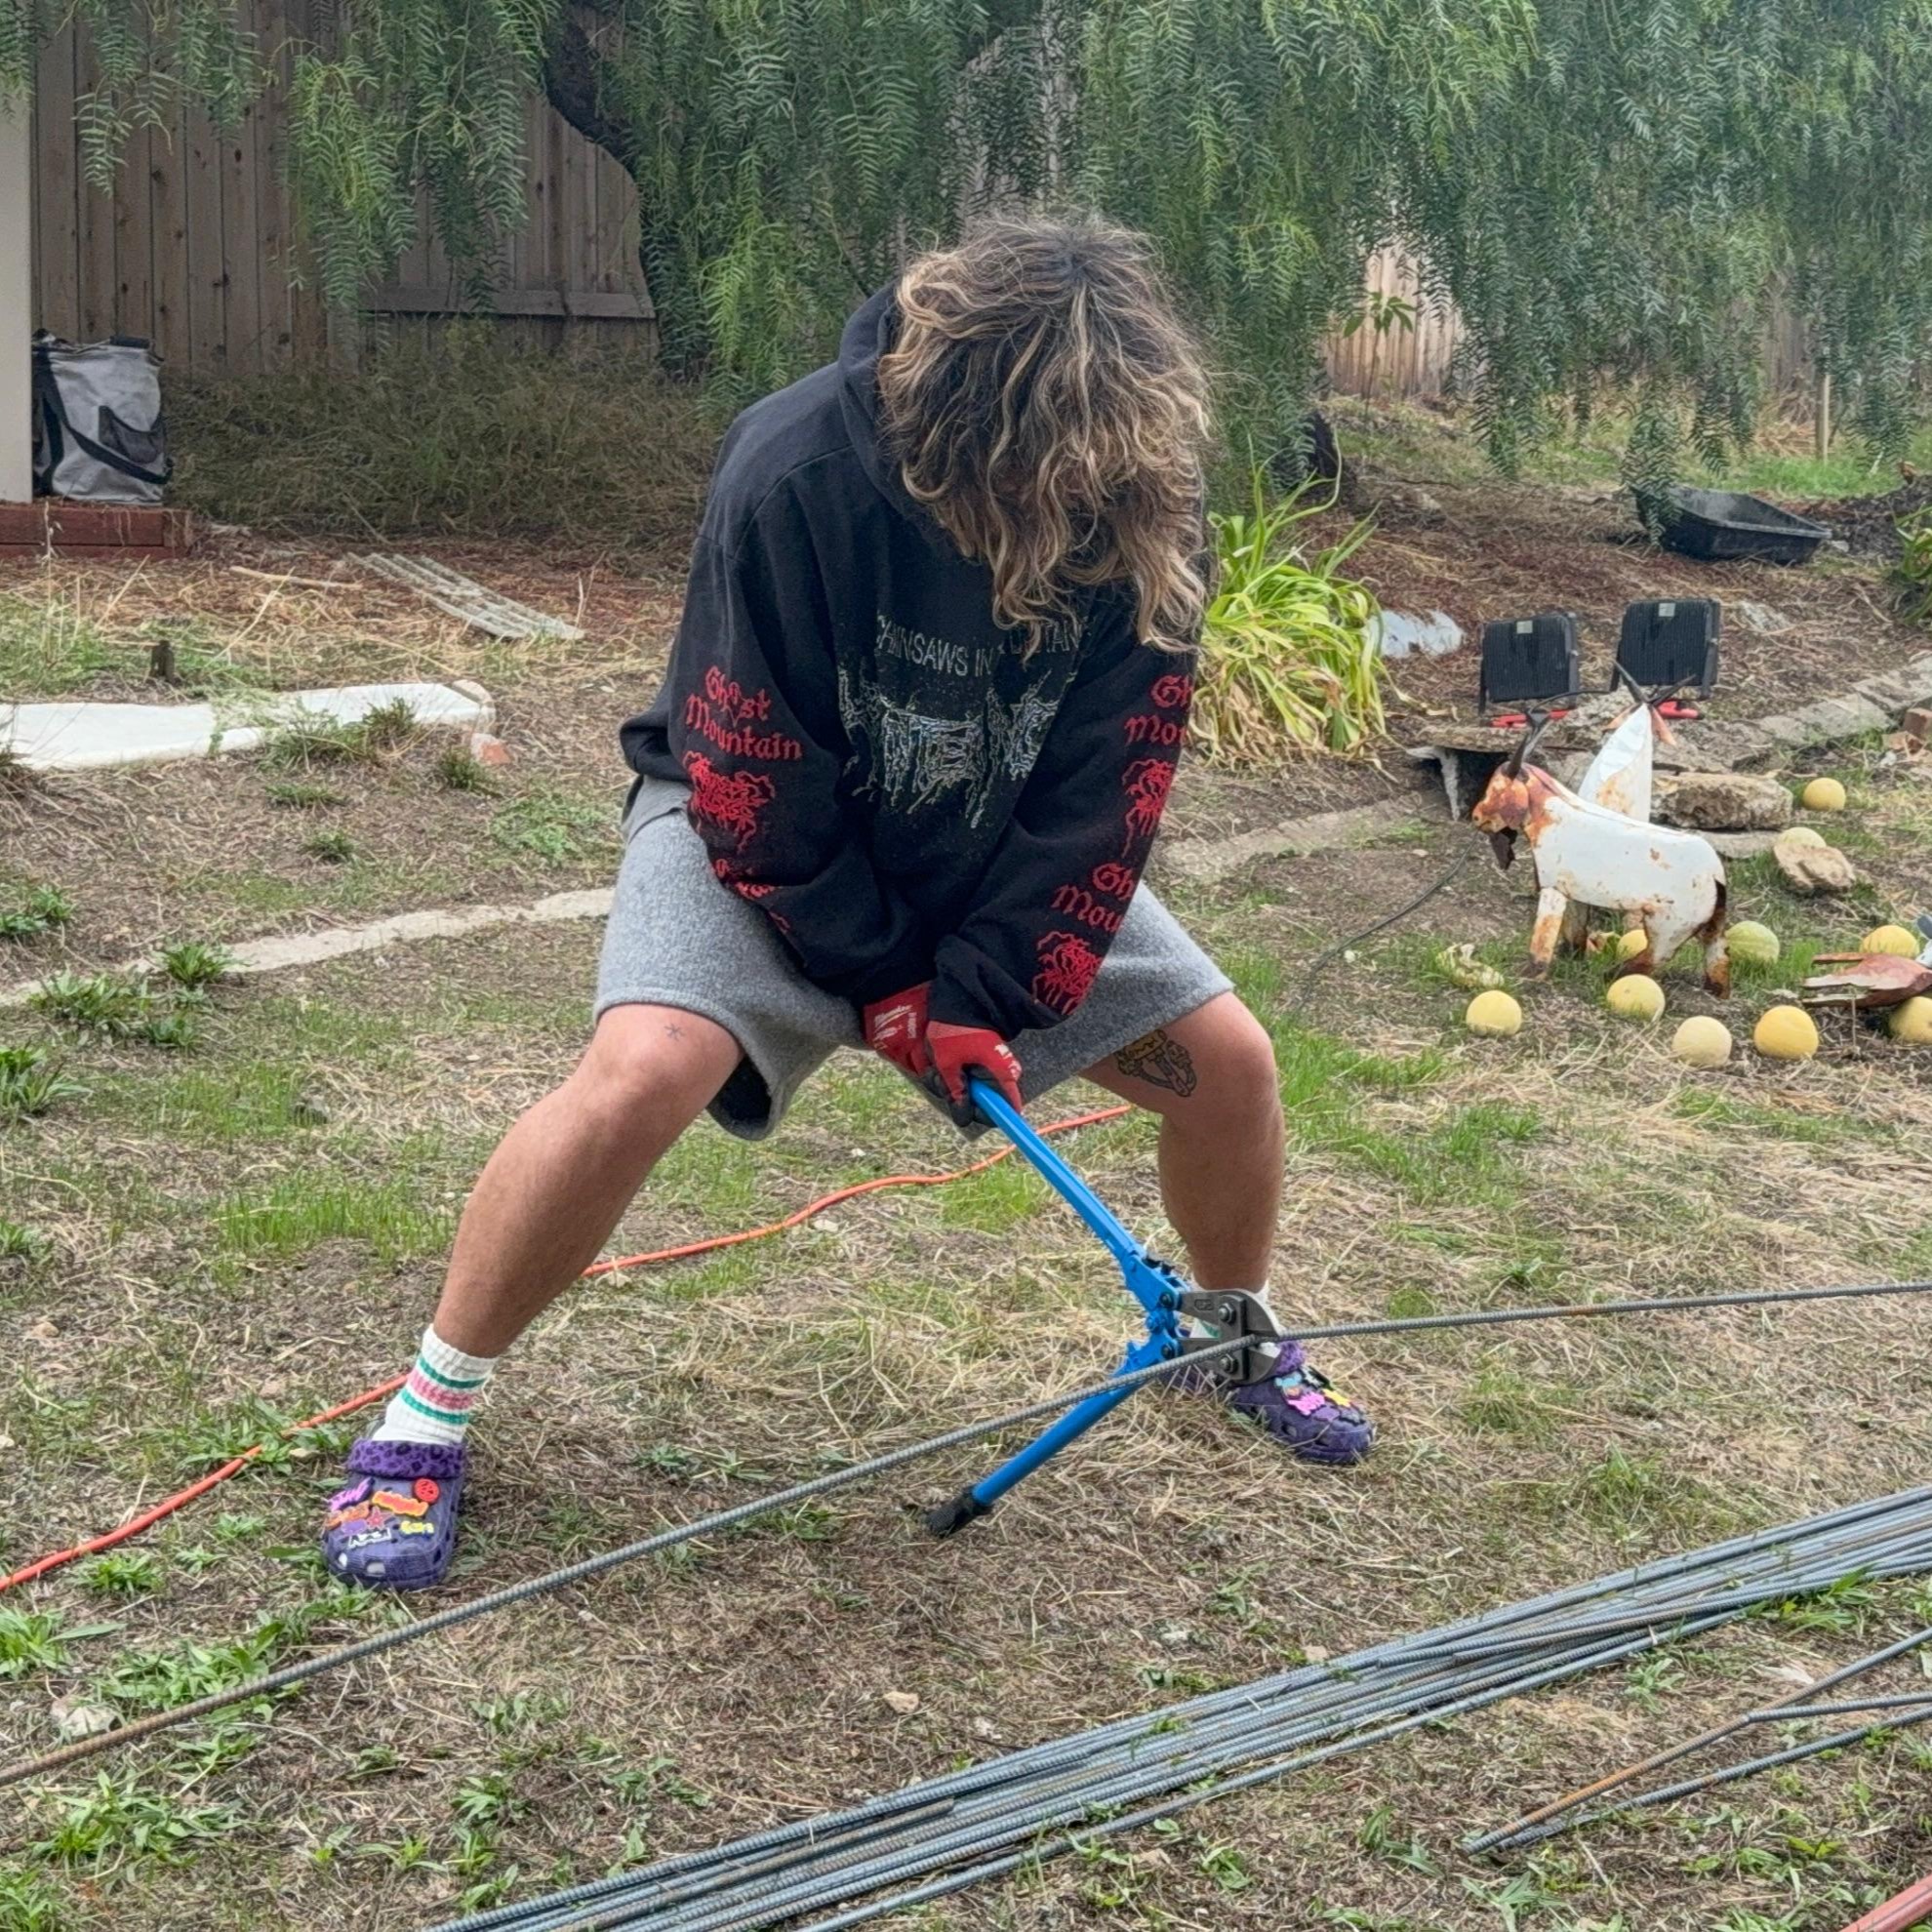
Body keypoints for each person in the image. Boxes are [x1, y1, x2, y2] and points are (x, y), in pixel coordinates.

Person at [320, 215, 1373, 1590]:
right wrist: (884, 978)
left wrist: (987, 988)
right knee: (644, 1069)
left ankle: (1228, 1336)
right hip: (757, 831)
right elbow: (754, 763)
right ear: (947, 419)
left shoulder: (1142, 508)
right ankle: (426, 1415)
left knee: (1229, 1066)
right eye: (1021, 475)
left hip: (989, 849)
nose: (1047, 504)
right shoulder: (796, 464)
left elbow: (1104, 794)